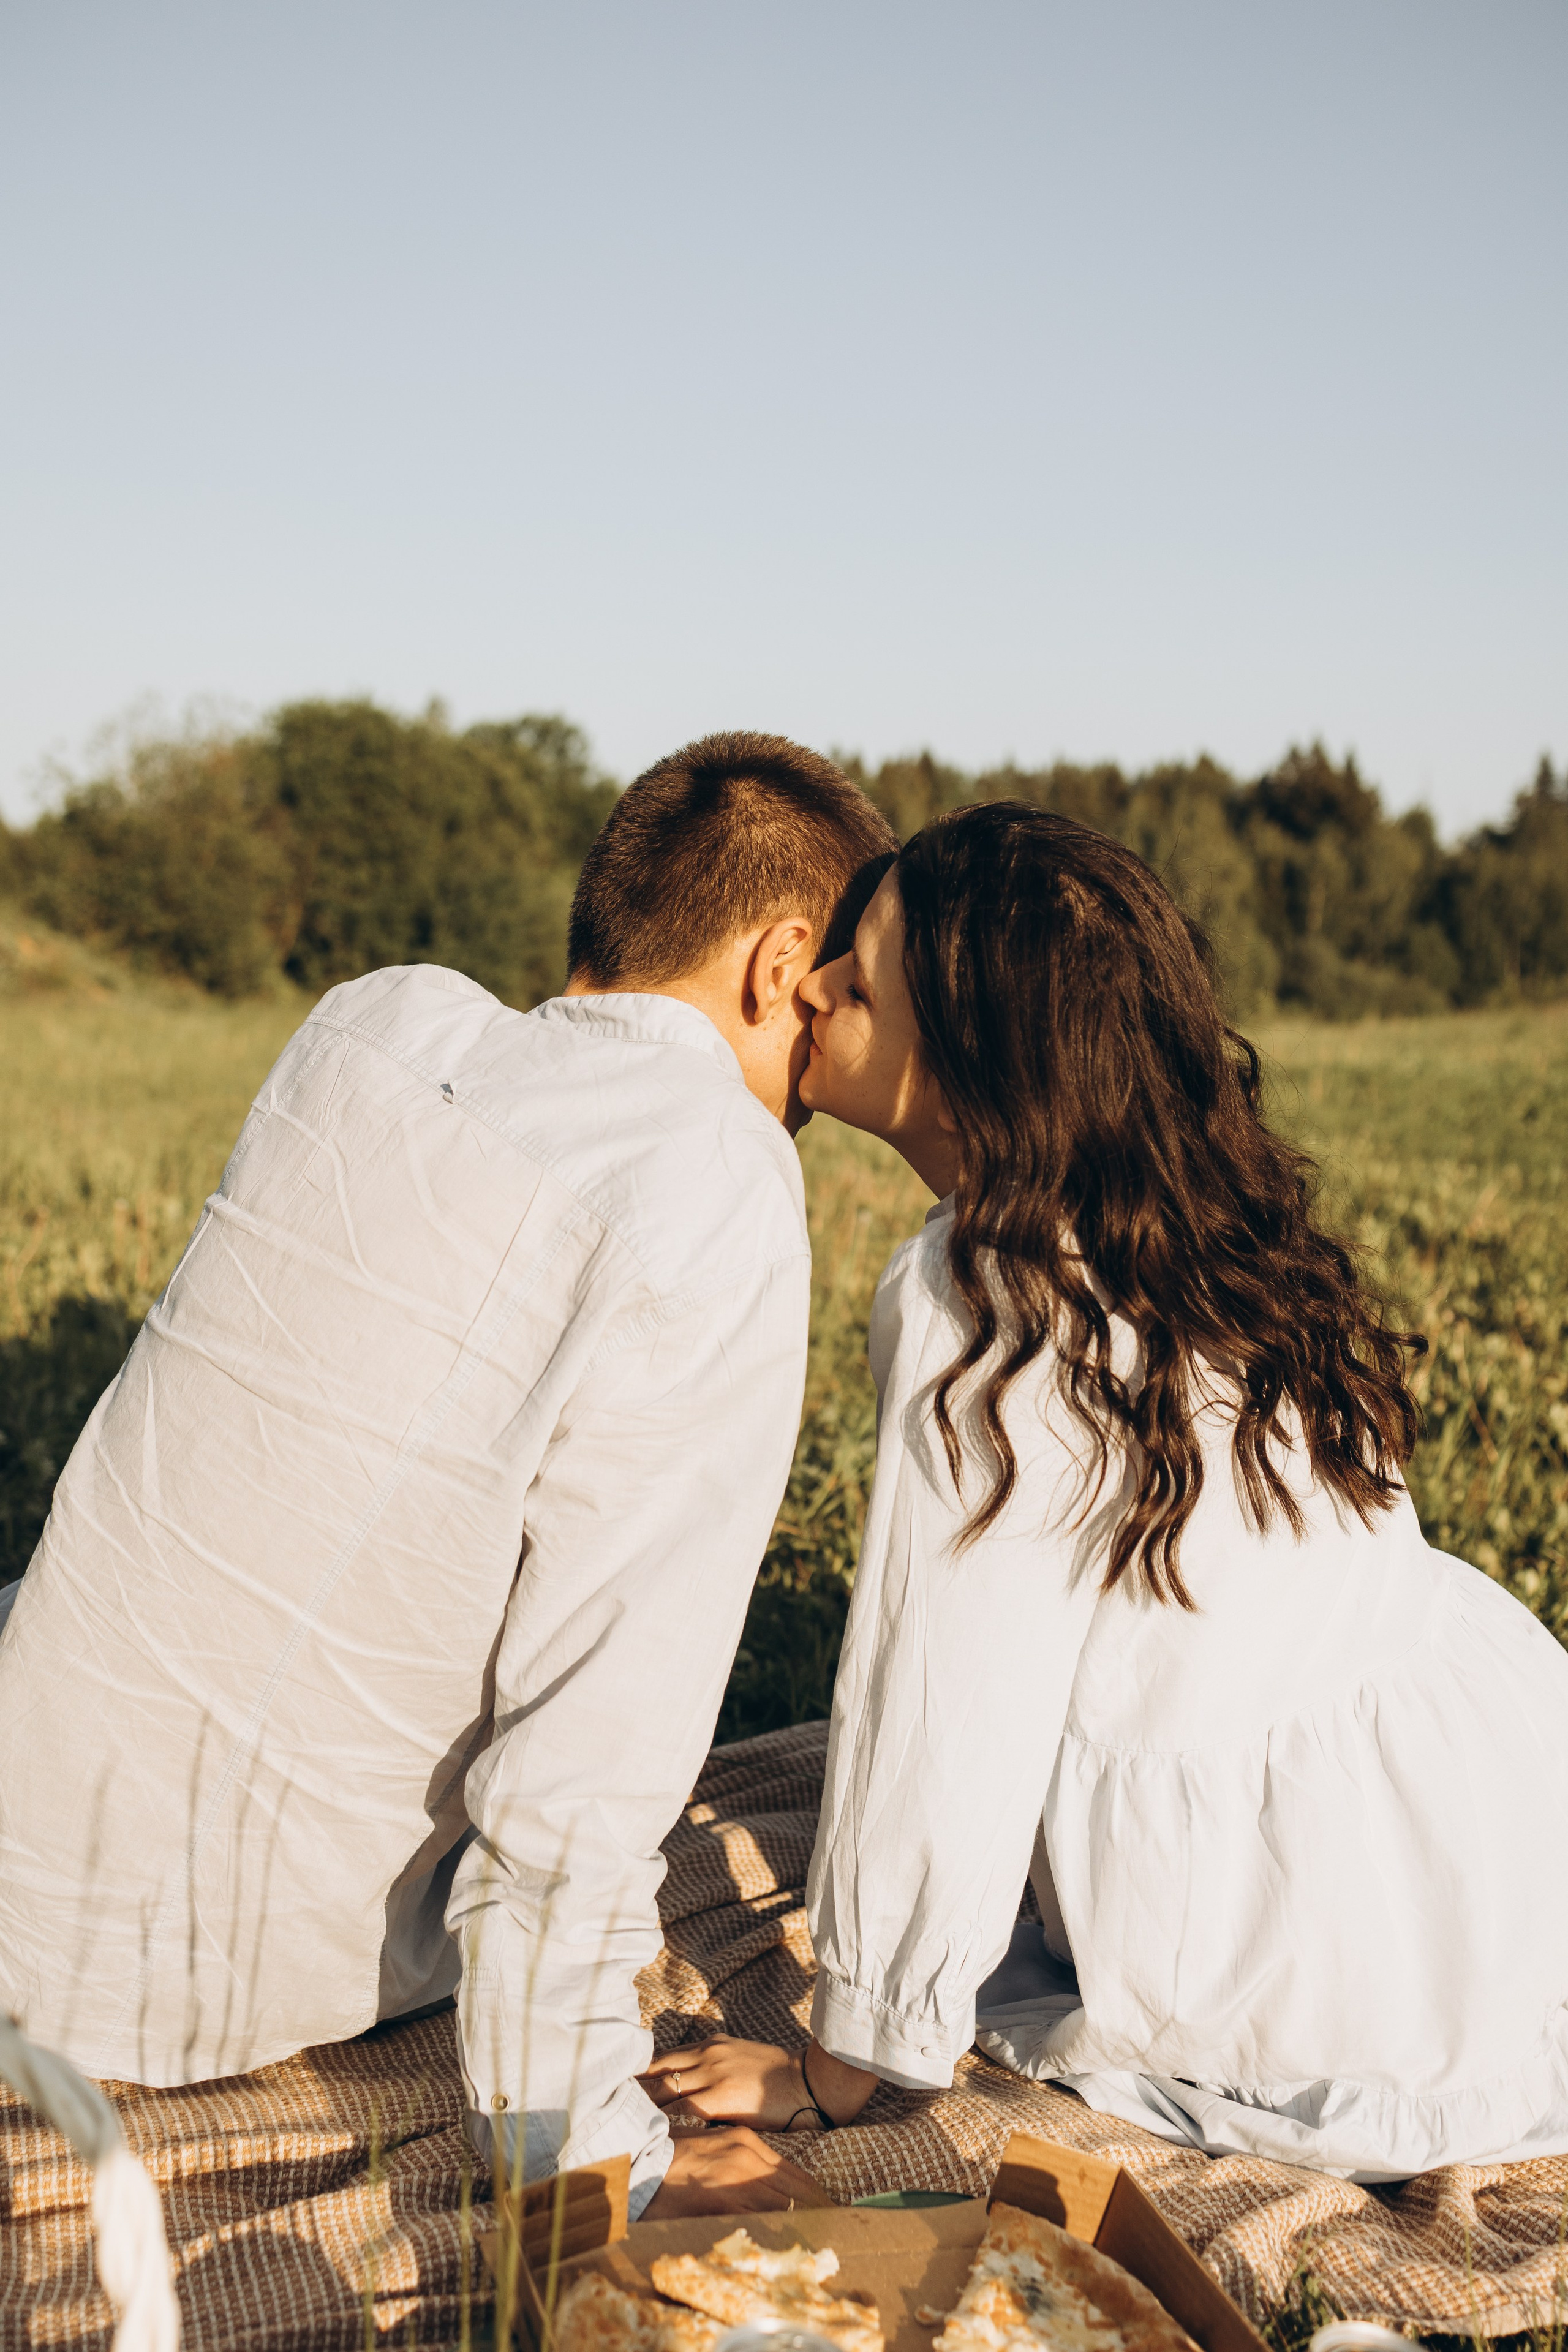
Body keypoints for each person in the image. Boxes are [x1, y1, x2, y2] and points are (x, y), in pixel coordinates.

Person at [0, 731, 894, 2220]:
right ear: (780, 962)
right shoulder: (716, 1174)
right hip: (162, 1958)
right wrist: (592, 2153)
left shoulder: (372, 1025)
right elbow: (586, 1754)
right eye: (844, 992)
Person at [643, 802, 1568, 2181]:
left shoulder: (984, 1297)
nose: (817, 988)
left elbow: (941, 1708)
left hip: (1300, 1931)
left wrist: (842, 2064)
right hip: (1480, 1826)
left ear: (973, 1061)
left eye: (862, 977)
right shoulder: (1187, 1215)